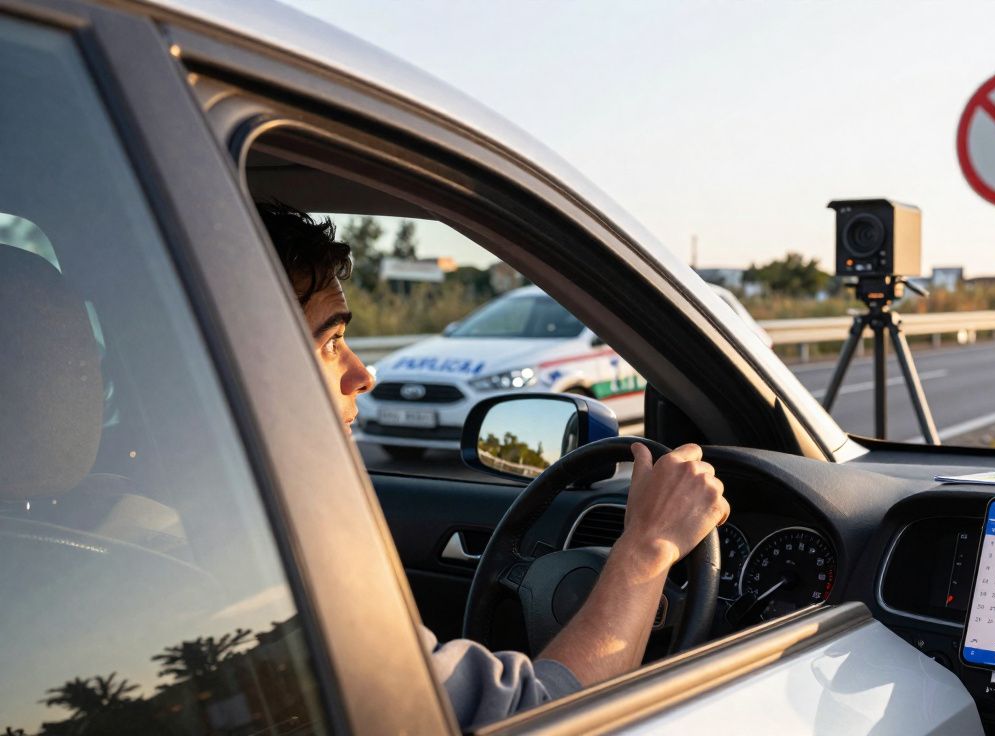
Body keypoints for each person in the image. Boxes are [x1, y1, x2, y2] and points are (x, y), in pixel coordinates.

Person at [256, 203, 730, 729]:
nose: (363, 375)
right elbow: (541, 717)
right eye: (330, 342)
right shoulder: (280, 571)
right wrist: (648, 548)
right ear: (243, 365)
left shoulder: (234, 533)